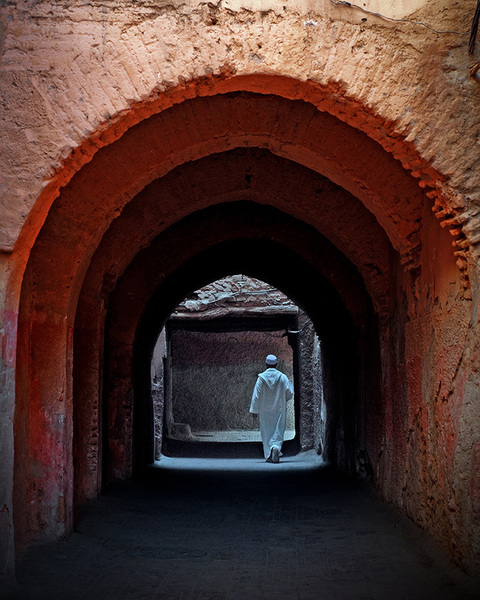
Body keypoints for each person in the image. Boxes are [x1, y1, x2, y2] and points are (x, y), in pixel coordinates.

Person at [250, 354, 294, 463]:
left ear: (266, 364)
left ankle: (269, 453)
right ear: (276, 364)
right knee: (278, 430)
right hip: (279, 409)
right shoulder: (282, 377)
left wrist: (254, 410)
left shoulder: (261, 379)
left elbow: (256, 395)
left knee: (266, 431)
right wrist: (284, 399)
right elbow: (290, 392)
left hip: (265, 411)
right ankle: (276, 447)